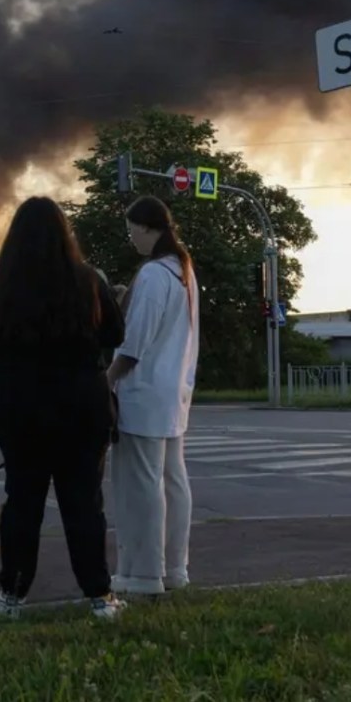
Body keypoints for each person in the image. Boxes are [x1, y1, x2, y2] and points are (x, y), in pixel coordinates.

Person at [0, 196, 127, 619]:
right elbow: (115, 331)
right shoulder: (88, 280)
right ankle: (99, 596)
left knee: (22, 503)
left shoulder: (3, 282)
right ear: (66, 233)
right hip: (81, 407)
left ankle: (13, 595)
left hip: (20, 408)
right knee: (84, 504)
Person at [105, 195, 200, 596]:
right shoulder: (183, 270)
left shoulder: (153, 275)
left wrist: (105, 381)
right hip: (174, 393)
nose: (132, 240)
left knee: (140, 487)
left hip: (143, 397)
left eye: (132, 231)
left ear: (147, 228)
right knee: (173, 482)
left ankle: (143, 575)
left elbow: (133, 344)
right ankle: (175, 569)